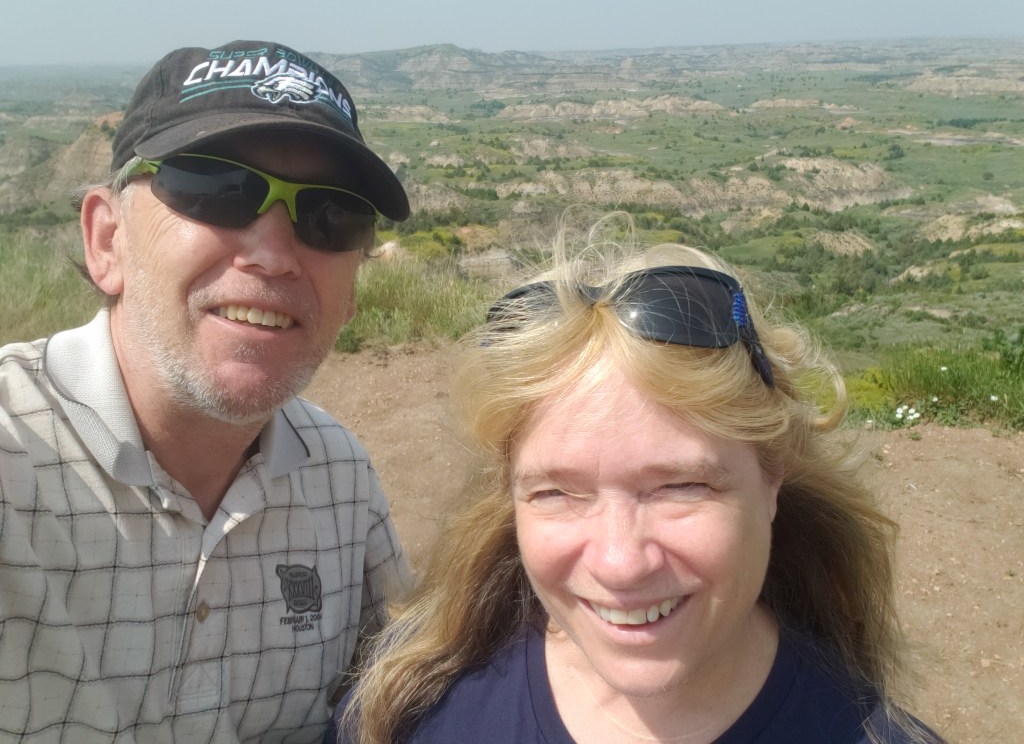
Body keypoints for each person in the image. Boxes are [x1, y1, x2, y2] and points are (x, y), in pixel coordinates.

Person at [330, 213, 944, 744]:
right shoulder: (407, 707)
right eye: (557, 493)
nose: (621, 564)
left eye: (682, 487)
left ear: (772, 475)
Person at [0, 40, 413, 742]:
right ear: (108, 241)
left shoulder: (340, 479)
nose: (275, 253)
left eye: (331, 215)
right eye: (218, 188)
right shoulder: (16, 459)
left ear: (351, 293)